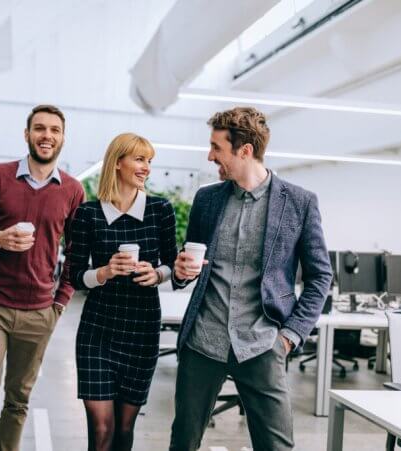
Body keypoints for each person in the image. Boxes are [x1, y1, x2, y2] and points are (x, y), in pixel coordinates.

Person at [168, 107, 333, 451]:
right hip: (204, 341)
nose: (210, 155)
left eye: (217, 147)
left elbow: (320, 277)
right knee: (183, 442)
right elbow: (190, 261)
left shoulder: (299, 203)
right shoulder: (207, 199)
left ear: (244, 150)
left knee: (277, 446)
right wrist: (181, 272)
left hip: (262, 342)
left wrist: (289, 336)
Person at [0, 104, 85, 451]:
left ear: (62, 138)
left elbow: (78, 251)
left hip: (39, 312)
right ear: (27, 134)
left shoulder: (73, 191)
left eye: (54, 130)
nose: (46, 136)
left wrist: (60, 302)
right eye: (39, 128)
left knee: (18, 401)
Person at [68, 133, 178, 451]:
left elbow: (172, 263)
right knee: (102, 429)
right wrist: (103, 272)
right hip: (98, 330)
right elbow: (74, 276)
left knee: (124, 430)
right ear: (118, 163)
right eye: (140, 159)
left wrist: (156, 274)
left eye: (149, 161)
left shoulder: (160, 210)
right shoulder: (88, 214)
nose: (146, 168)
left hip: (141, 329)